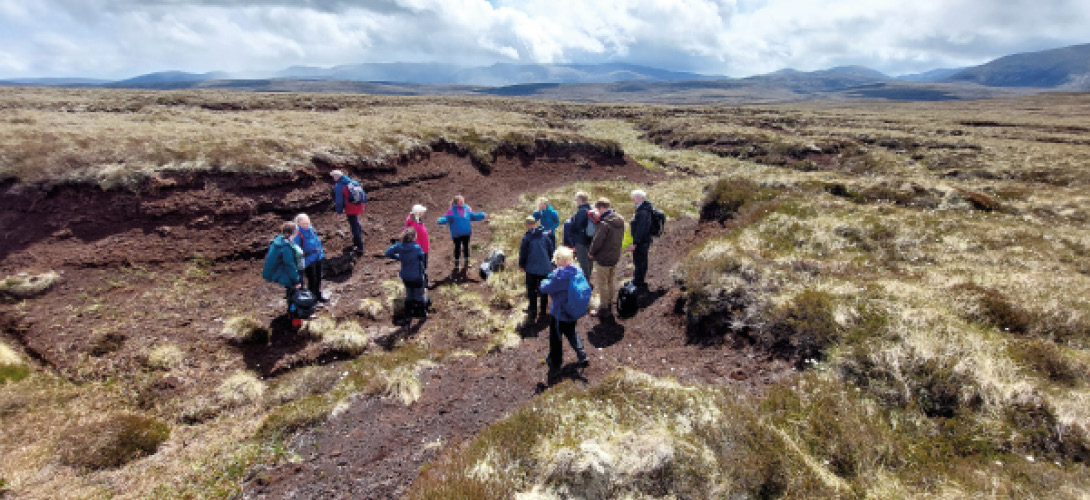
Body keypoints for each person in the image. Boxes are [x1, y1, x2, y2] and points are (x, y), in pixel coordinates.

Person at [539, 247, 589, 373]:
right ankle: (582, 355)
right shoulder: (577, 270)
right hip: (573, 311)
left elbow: (545, 288)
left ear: (559, 260)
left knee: (555, 337)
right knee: (571, 333)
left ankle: (555, 361)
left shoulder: (560, 277)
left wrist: (544, 281)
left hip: (560, 313)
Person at [588, 197, 624, 317]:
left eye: (597, 209)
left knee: (603, 283)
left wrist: (591, 252)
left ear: (602, 208)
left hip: (603, 257)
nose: (597, 212)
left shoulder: (604, 223)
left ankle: (604, 308)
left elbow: (597, 241)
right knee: (611, 280)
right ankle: (610, 302)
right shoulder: (620, 219)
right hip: (615, 255)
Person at [519, 215, 555, 323]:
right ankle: (543, 311)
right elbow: (551, 250)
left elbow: (523, 253)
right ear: (535, 224)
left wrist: (522, 265)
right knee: (543, 289)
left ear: (527, 225)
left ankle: (533, 311)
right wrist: (551, 263)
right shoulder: (544, 235)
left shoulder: (527, 238)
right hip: (545, 268)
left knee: (532, 290)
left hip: (532, 269)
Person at [261, 222, 303, 316]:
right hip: (288, 274)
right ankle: (294, 315)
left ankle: (292, 312)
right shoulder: (286, 247)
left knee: (291, 293)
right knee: (293, 294)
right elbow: (289, 265)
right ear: (293, 232)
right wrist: (296, 281)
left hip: (285, 272)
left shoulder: (280, 240)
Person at [384, 227, 427, 317]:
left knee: (409, 294)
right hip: (417, 276)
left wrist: (399, 257)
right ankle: (422, 313)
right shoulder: (416, 248)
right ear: (414, 237)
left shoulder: (399, 246)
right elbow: (422, 258)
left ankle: (408, 313)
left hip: (405, 276)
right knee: (419, 295)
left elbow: (388, 253)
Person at [437, 195, 487, 267]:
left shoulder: (467, 208)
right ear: (456, 202)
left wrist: (482, 215)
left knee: (466, 247)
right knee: (457, 247)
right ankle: (456, 262)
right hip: (456, 233)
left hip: (466, 232)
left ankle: (467, 261)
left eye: (463, 201)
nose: (462, 202)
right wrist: (440, 220)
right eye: (460, 201)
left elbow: (473, 216)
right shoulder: (451, 210)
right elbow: (446, 218)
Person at [292, 213, 327, 303]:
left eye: (307, 223)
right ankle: (312, 299)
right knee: (312, 279)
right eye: (304, 224)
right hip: (308, 260)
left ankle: (318, 295)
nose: (306, 225)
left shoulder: (311, 230)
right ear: (298, 223)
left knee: (318, 278)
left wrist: (321, 253)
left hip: (317, 257)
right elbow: (296, 249)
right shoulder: (297, 234)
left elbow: (317, 242)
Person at [330, 170, 365, 254]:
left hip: (350, 208)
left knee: (354, 225)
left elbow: (339, 201)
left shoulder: (339, 186)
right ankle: (358, 240)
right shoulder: (353, 181)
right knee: (356, 222)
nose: (333, 178)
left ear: (336, 177)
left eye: (333, 177)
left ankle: (359, 246)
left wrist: (339, 211)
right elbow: (362, 193)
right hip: (359, 205)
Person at [628, 189, 654, 290]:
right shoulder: (644, 209)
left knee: (639, 260)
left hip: (641, 242)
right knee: (642, 260)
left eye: (634, 197)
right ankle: (639, 279)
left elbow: (641, 229)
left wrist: (635, 243)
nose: (632, 199)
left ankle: (638, 281)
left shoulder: (642, 212)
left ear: (639, 198)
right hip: (644, 240)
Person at [568, 191, 594, 278]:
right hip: (590, 238)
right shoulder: (591, 209)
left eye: (576, 199)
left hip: (581, 240)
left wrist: (572, 223)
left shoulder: (581, 211)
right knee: (590, 259)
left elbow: (576, 226)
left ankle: (585, 280)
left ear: (580, 200)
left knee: (583, 261)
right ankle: (589, 277)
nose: (576, 201)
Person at [403, 204, 430, 273]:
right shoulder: (414, 224)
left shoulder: (417, 221)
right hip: (419, 250)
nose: (423, 213)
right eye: (422, 211)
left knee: (423, 267)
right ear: (418, 213)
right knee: (420, 268)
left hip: (422, 248)